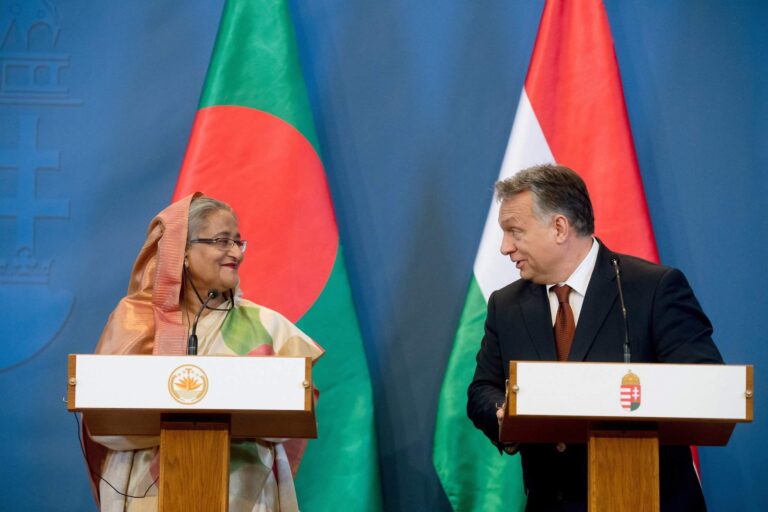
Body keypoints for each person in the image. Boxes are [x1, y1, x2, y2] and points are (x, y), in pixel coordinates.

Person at [466, 164, 723, 511]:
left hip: (647, 498)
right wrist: (502, 414)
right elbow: (482, 388)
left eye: (515, 232)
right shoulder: (506, 304)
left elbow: (704, 384)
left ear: (559, 227)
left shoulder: (653, 289)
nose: (504, 247)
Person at [83, 193, 324, 512]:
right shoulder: (134, 322)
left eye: (238, 242)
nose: (235, 252)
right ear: (181, 250)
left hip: (242, 495)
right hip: (148, 496)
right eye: (222, 241)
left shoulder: (267, 326)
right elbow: (102, 421)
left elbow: (295, 416)